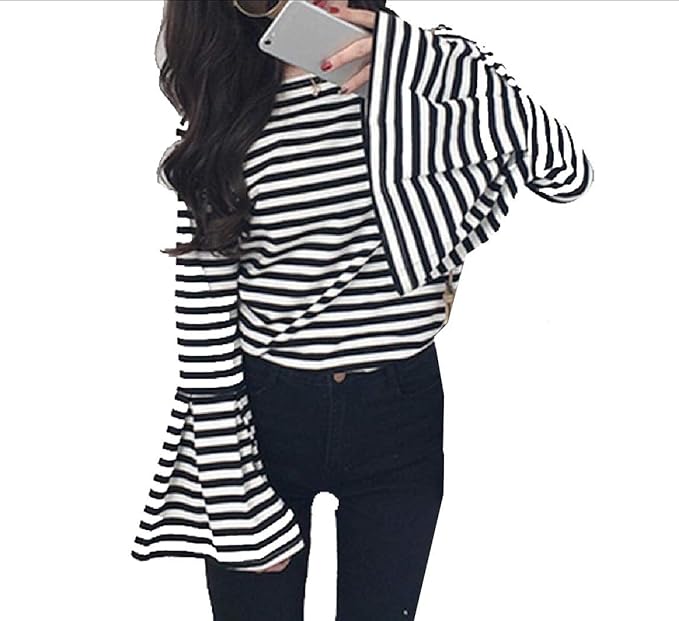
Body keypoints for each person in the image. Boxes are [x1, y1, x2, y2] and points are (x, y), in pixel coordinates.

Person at [131, 1, 594, 619]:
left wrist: (427, 65)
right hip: (266, 413)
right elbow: (204, 304)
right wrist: (228, 488)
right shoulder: (229, 105)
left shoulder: (435, 72)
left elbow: (567, 173)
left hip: (398, 406)